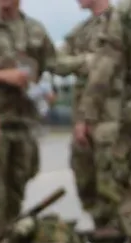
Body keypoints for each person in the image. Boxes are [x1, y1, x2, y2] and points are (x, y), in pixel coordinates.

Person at [0, 0, 57, 228]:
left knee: (17, 185)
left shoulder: (35, 30)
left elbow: (50, 66)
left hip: (25, 122)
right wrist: (2, 76)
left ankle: (6, 237)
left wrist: (49, 89)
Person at [79, 0, 131, 243]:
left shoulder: (126, 12)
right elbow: (104, 65)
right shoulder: (127, 12)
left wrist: (88, 114)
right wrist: (88, 114)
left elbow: (105, 64)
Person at [50, 0, 117, 229]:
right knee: (86, 179)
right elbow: (56, 62)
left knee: (114, 183)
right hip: (83, 120)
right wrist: (87, 61)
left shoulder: (120, 23)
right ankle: (104, 230)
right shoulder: (81, 31)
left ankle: (121, 235)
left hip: (113, 119)